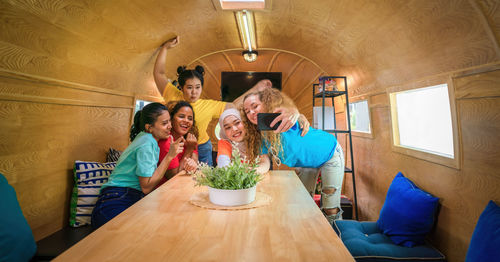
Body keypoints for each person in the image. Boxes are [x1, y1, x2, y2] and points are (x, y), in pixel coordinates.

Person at [153, 37, 299, 166]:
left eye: (197, 87)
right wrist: (165, 48)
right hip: (174, 142)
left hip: (201, 146)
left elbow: (233, 106)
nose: (194, 92)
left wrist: (256, 88)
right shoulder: (172, 94)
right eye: (189, 87)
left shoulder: (209, 105)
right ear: (182, 87)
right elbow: (158, 73)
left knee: (201, 178)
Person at [241, 87, 345, 222]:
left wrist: (296, 114)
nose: (252, 112)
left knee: (330, 209)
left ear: (266, 104)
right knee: (303, 205)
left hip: (329, 153)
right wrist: (254, 171)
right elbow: (264, 162)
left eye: (255, 106)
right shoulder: (259, 137)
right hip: (306, 165)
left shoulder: (283, 117)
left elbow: (293, 113)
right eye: (247, 111)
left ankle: (337, 240)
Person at [91, 103, 184, 229]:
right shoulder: (146, 143)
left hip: (128, 199)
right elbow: (146, 187)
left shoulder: (147, 139)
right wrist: (169, 156)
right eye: (164, 123)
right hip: (115, 202)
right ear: (149, 127)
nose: (170, 127)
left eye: (169, 122)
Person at [155, 101, 199, 188]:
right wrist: (189, 149)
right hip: (163, 190)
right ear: (171, 119)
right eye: (181, 116)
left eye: (190, 118)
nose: (186, 121)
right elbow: (174, 177)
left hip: (182, 187)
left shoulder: (190, 140)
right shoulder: (166, 141)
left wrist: (192, 164)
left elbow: (193, 166)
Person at [217, 108, 270, 174]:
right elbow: (223, 165)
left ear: (245, 123)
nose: (234, 129)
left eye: (237, 123)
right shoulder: (224, 143)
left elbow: (265, 163)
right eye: (228, 127)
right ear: (224, 132)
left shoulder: (256, 139)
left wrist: (251, 171)